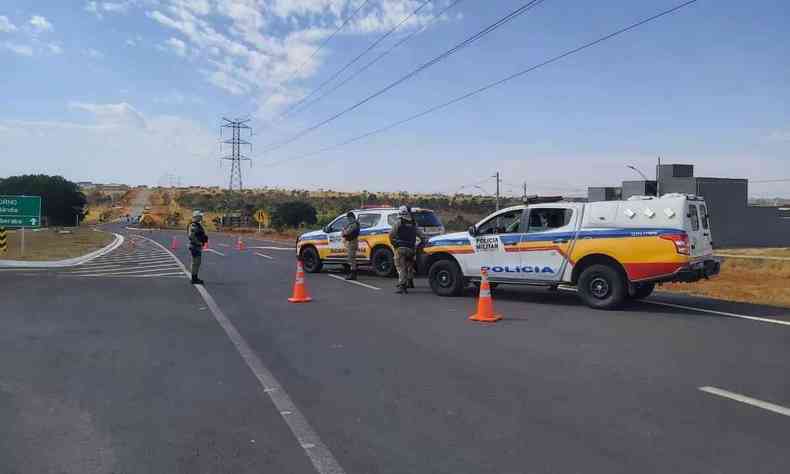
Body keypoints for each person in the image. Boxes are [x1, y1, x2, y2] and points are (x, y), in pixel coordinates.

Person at [389, 205, 425, 294]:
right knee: (409, 265)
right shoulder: (413, 223)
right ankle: (410, 281)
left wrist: (394, 243)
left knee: (400, 266)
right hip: (411, 249)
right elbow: (422, 236)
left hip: (401, 248)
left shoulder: (399, 222)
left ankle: (402, 286)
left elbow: (391, 235)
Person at [187, 210, 209, 284]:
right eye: (200, 216)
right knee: (196, 262)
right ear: (196, 216)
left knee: (196, 262)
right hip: (195, 246)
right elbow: (191, 236)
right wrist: (198, 243)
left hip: (196, 246)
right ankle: (194, 278)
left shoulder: (197, 224)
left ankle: (194, 277)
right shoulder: (193, 225)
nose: (201, 217)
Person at [341, 211, 361, 281]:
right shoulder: (354, 223)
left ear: (351, 217)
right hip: (352, 242)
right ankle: (352, 274)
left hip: (352, 243)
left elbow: (346, 233)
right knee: (351, 259)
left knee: (352, 259)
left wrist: (343, 230)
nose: (348, 219)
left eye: (349, 218)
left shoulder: (353, 224)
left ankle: (353, 275)